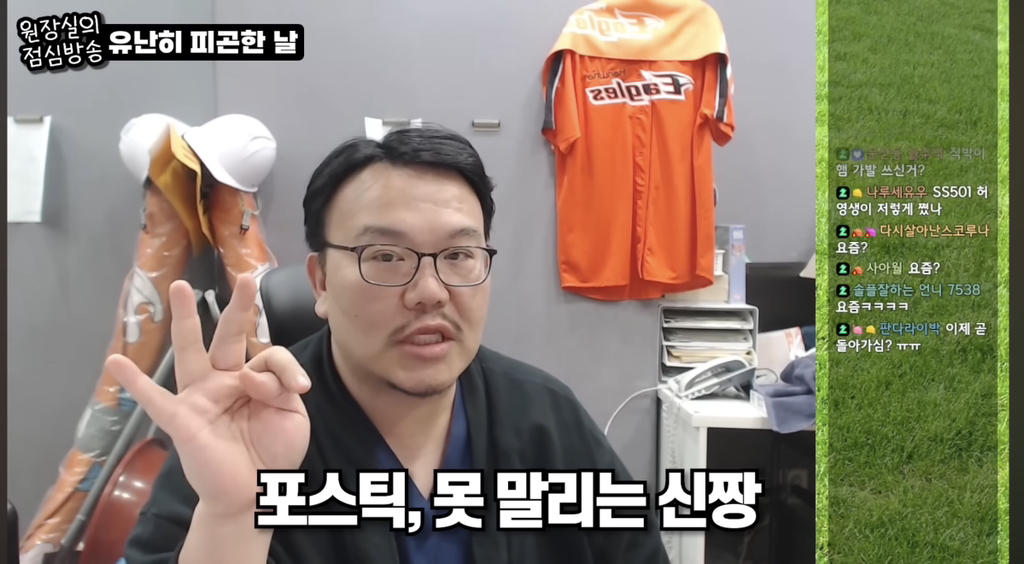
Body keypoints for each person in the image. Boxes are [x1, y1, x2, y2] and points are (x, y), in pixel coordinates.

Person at [114, 125, 670, 563]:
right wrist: (234, 517)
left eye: (459, 255)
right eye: (385, 257)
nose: (430, 292)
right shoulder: (247, 430)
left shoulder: (545, 417)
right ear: (321, 282)